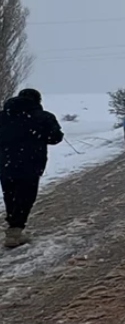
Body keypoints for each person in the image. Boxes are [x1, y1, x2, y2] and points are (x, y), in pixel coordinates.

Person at [0, 88, 64, 248]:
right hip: (31, 163)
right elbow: (55, 138)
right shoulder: (44, 117)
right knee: (25, 197)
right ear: (37, 100)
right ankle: (15, 231)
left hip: (5, 162)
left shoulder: (3, 116)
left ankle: (13, 226)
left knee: (10, 194)